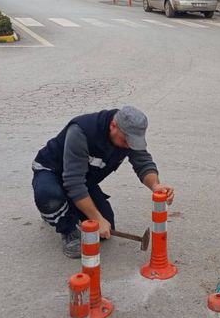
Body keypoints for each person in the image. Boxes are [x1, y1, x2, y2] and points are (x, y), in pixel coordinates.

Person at [32, 106, 175, 258]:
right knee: (51, 197)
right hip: (50, 170)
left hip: (82, 178)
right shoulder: (82, 131)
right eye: (126, 140)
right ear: (113, 125)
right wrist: (96, 218)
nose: (129, 145)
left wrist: (155, 185)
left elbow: (143, 162)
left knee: (105, 229)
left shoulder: (128, 135)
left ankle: (63, 208)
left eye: (133, 142)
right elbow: (73, 183)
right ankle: (64, 225)